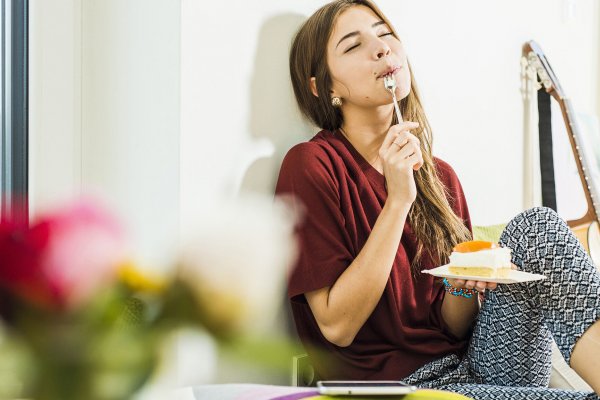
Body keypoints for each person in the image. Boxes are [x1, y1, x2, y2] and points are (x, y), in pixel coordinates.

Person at [274, 1, 600, 399]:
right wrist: (397, 202)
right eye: (353, 45)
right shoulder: (312, 165)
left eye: (384, 33)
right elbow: (336, 327)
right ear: (324, 87)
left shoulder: (438, 175)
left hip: (471, 369)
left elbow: (452, 328)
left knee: (537, 227)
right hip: (393, 389)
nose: (381, 48)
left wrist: (465, 286)